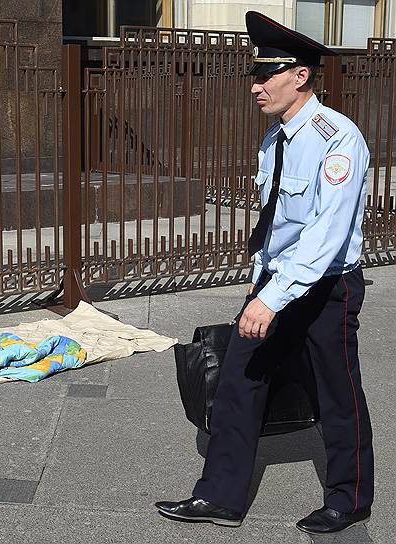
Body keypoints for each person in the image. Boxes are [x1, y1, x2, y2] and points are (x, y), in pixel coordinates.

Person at [155, 11, 374, 535]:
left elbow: (324, 235)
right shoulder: (274, 139)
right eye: (254, 75)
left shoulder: (338, 140)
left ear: (300, 76)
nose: (255, 86)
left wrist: (270, 300)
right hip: (277, 282)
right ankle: (220, 497)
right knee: (238, 379)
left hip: (327, 288)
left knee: (336, 392)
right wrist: (261, 281)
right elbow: (276, 220)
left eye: (266, 75)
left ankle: (350, 498)